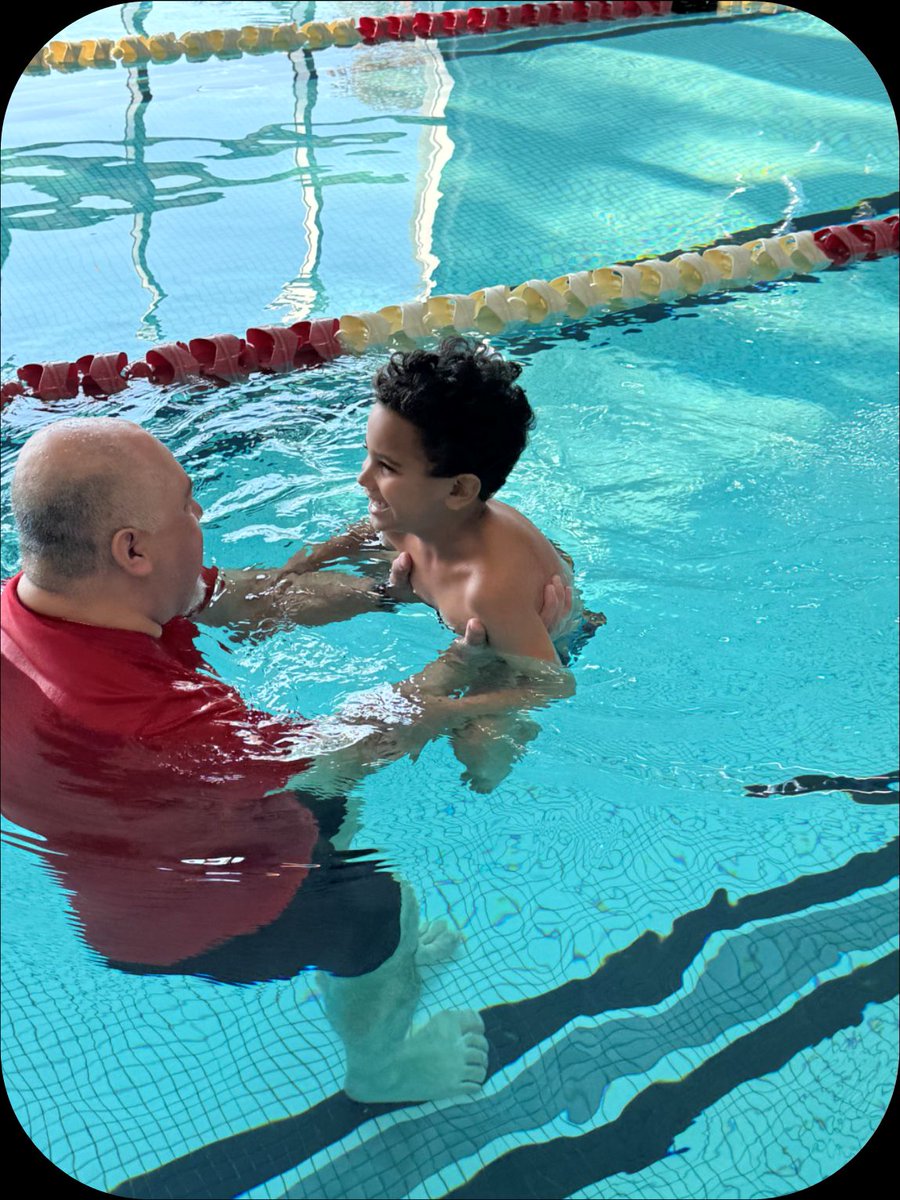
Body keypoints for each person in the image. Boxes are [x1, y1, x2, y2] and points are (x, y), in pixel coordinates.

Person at [1, 418, 569, 1104]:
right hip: (183, 920)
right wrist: (474, 662)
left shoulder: (74, 593)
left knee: (330, 811)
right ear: (133, 549)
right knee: (380, 905)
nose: (201, 512)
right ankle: (380, 1073)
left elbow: (258, 598)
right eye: (187, 501)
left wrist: (390, 593)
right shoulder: (145, 718)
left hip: (158, 830)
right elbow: (351, 747)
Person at [281, 337, 605, 788]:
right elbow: (362, 533)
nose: (362, 478)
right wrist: (310, 560)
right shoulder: (406, 515)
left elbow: (552, 684)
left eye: (386, 467)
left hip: (535, 637)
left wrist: (443, 711)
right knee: (288, 596)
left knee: (479, 754)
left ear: (457, 490)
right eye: (368, 455)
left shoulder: (488, 589)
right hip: (450, 590)